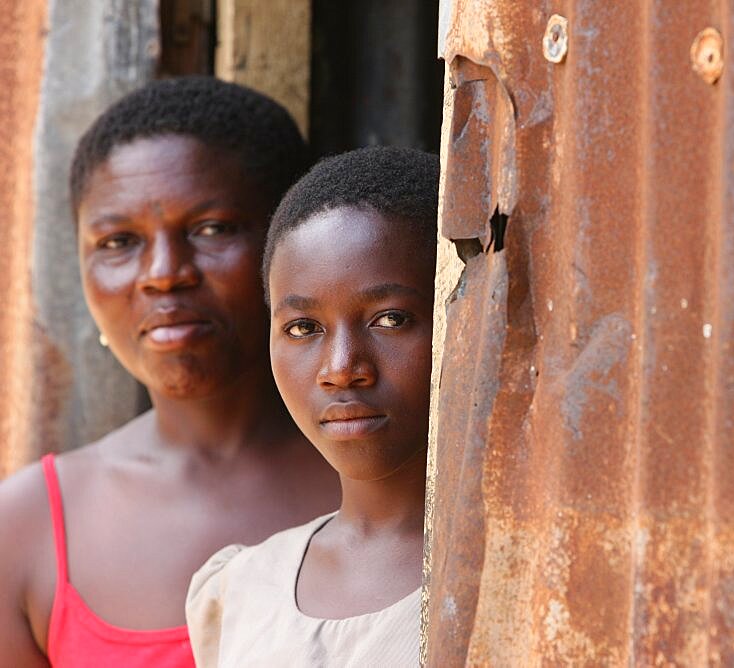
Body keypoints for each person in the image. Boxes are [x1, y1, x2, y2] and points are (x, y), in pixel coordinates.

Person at [0, 77, 342, 667]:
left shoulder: (404, 480)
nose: (163, 273)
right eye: (119, 240)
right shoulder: (24, 530)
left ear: (293, 240)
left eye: (212, 229)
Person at [186, 146, 438, 666]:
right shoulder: (239, 591)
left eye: (390, 319)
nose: (342, 367)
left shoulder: (530, 573)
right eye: (303, 328)